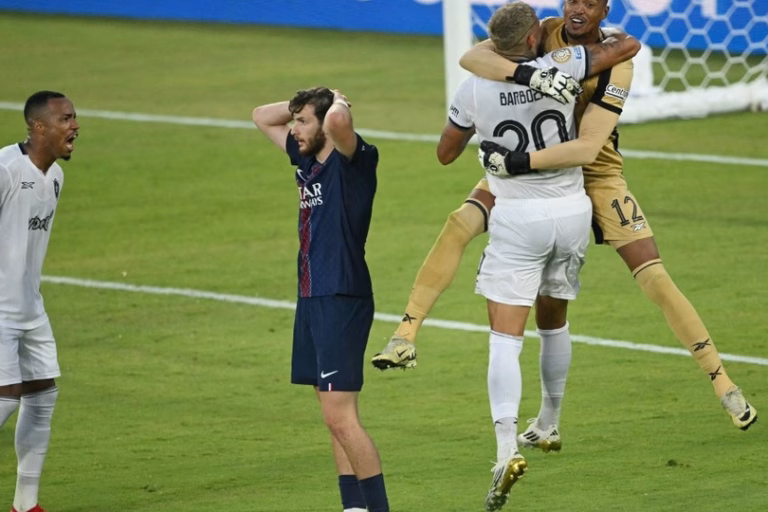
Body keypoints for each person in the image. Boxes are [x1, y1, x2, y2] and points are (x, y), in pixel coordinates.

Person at [373, 0, 757, 437]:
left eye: (589, 4)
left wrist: (516, 162)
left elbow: (588, 147)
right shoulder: (545, 33)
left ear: (604, 10)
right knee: (460, 224)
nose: (578, 9)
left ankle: (723, 383)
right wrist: (529, 76)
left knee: (653, 275)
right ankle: (405, 334)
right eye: (573, 0)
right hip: (535, 174)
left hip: (591, 170)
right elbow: (473, 57)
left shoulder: (617, 64)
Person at [427, 3, 641, 509]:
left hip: (519, 217)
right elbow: (623, 47)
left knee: (505, 338)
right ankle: (549, 422)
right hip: (572, 212)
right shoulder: (564, 66)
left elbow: (445, 152)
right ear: (532, 40)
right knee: (555, 320)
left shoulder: (474, 86)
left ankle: (505, 451)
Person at [252, 87, 389, 512]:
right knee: (334, 418)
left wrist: (337, 101)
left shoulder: (353, 161)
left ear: (325, 124)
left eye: (302, 122)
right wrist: (305, 101)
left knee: (340, 417)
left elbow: (338, 122)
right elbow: (261, 115)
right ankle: (354, 507)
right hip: (312, 296)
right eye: (294, 121)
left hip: (340, 295)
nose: (293, 129)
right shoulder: (306, 159)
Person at [0, 91, 79, 512]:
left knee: (42, 394)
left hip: (30, 308)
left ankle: (25, 505)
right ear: (38, 127)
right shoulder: (5, 170)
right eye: (65, 119)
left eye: (74, 118)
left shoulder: (55, 177)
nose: (75, 126)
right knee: (5, 397)